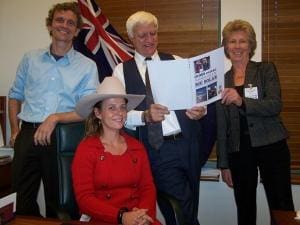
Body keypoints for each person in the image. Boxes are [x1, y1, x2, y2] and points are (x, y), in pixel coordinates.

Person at [113, 11, 208, 225]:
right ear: (131, 38)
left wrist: (201, 110)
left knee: (190, 202)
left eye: (153, 34)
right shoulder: (121, 71)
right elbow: (119, 115)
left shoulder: (176, 61)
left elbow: (199, 98)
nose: (149, 40)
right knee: (180, 206)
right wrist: (145, 116)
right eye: (143, 35)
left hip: (189, 143)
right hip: (158, 149)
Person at [8, 2, 99, 217]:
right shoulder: (30, 59)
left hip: (63, 137)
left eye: (71, 23)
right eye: (59, 20)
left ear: (76, 31)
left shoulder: (87, 66)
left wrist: (55, 118)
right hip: (27, 135)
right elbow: (15, 96)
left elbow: (86, 110)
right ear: (50, 25)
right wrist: (14, 131)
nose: (64, 26)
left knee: (60, 203)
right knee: (20, 202)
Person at [216, 19, 294, 225]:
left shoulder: (265, 70)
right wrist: (224, 164)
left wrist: (241, 101)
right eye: (232, 42)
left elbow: (274, 105)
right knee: (245, 208)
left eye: (243, 41)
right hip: (239, 151)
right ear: (225, 46)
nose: (237, 46)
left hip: (272, 145)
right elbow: (221, 126)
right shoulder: (221, 81)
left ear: (251, 45)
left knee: (282, 206)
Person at [72, 76, 161, 225]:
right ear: (98, 113)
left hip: (138, 218)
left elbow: (147, 188)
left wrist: (143, 216)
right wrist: (122, 217)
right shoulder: (86, 149)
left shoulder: (136, 147)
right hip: (102, 218)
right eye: (111, 107)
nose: (119, 113)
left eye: (122, 107)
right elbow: (85, 199)